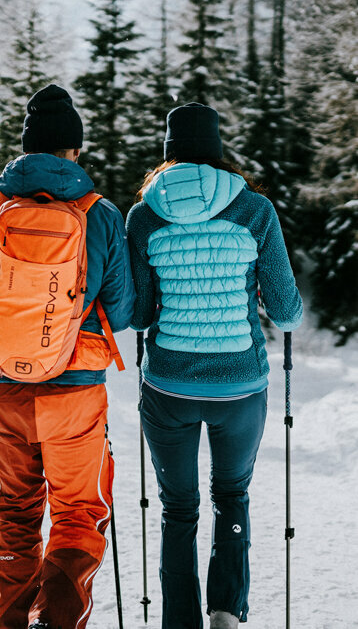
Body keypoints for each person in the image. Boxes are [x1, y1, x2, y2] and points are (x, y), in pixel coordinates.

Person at [0, 84, 135, 629]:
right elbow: (124, 311)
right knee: (79, 509)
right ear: (75, 150)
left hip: (3, 386)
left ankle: (10, 621)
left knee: (15, 509)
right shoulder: (101, 214)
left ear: (25, 148)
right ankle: (58, 620)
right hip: (76, 388)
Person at [126, 102, 303, 629]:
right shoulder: (255, 210)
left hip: (169, 386)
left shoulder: (144, 216)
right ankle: (226, 608)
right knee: (231, 493)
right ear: (218, 152)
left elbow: (140, 314)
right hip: (240, 386)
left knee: (178, 508)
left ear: (168, 156)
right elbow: (286, 311)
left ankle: (180, 621)